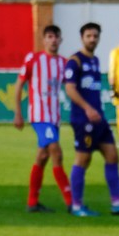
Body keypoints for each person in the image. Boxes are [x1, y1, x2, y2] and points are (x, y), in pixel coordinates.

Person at [63, 22, 119, 217]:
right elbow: (69, 89)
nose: (92, 39)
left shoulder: (96, 60)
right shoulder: (75, 61)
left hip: (99, 119)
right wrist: (87, 108)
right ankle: (77, 206)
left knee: (113, 155)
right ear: (82, 38)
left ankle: (117, 203)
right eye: (89, 36)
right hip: (83, 119)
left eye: (95, 36)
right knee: (83, 159)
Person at [14, 24, 72, 213]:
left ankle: (32, 203)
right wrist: (18, 113)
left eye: (56, 37)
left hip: (54, 117)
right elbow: (19, 85)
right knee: (56, 151)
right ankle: (71, 202)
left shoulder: (63, 63)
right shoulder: (34, 59)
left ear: (60, 40)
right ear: (44, 40)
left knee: (43, 156)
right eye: (49, 37)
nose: (53, 40)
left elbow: (70, 87)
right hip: (39, 116)